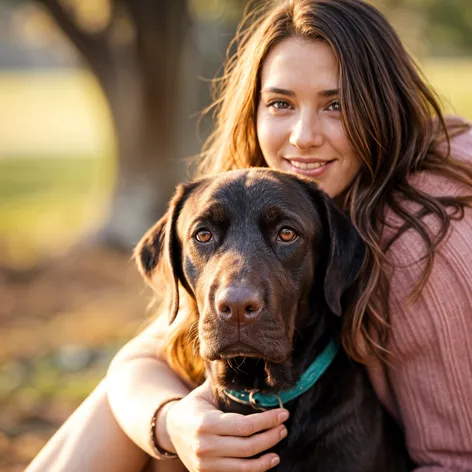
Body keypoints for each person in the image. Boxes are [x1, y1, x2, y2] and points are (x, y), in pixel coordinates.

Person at [26, 0, 472, 471]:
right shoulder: (256, 196)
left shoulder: (424, 239)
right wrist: (170, 423)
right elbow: (146, 356)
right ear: (252, 111)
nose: (303, 136)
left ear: (382, 106)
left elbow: (458, 457)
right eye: (281, 103)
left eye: (336, 105)